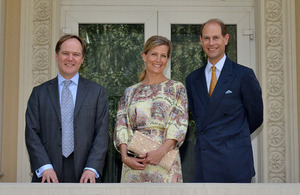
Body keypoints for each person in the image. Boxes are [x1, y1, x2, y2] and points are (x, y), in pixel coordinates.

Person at [186, 19, 263, 183]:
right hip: (204, 161)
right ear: (201, 40)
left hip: (234, 162)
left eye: (216, 37)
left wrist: (233, 137)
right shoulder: (192, 79)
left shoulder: (243, 75)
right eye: (206, 38)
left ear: (226, 39)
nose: (211, 43)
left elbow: (256, 117)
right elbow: (198, 118)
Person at [25, 34, 109, 183]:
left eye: (76, 54)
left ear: (82, 59)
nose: (70, 58)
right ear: (57, 56)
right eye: (65, 53)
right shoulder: (39, 93)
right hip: (48, 173)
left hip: (86, 174)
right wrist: (45, 166)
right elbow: (31, 132)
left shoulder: (97, 92)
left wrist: (91, 167)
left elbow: (102, 133)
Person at [114, 35, 188, 183]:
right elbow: (121, 126)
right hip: (134, 165)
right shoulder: (130, 92)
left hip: (165, 164)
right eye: (154, 54)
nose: (158, 60)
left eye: (163, 55)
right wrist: (125, 157)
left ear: (167, 59)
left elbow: (178, 125)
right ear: (144, 56)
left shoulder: (177, 89)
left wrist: (159, 153)